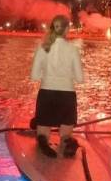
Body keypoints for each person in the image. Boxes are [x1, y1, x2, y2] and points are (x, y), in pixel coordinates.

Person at [30, 14, 84, 158]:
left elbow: (34, 76)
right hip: (67, 96)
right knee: (65, 132)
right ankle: (66, 141)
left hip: (47, 94)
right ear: (67, 30)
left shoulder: (43, 48)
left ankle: (42, 140)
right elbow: (80, 79)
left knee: (43, 129)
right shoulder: (73, 50)